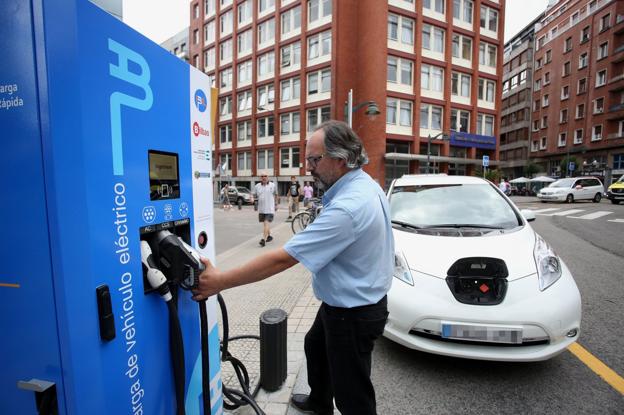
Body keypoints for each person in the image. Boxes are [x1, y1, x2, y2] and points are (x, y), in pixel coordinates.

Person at [192, 120, 393, 415]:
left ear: (340, 159)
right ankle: (318, 402)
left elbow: (283, 258)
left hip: (353, 313)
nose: (307, 166)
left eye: (314, 159)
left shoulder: (348, 208)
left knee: (353, 392)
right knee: (314, 346)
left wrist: (219, 281)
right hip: (349, 301)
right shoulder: (366, 184)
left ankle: (334, 404)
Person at [252, 174, 277, 247]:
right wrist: (252, 198)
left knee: (266, 223)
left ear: (268, 177)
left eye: (265, 176)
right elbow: (253, 195)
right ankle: (269, 236)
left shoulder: (272, 185)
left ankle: (263, 239)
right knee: (265, 224)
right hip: (262, 209)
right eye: (262, 176)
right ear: (260, 178)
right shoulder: (257, 186)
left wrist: (276, 204)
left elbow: (276, 195)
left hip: (270, 209)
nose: (264, 177)